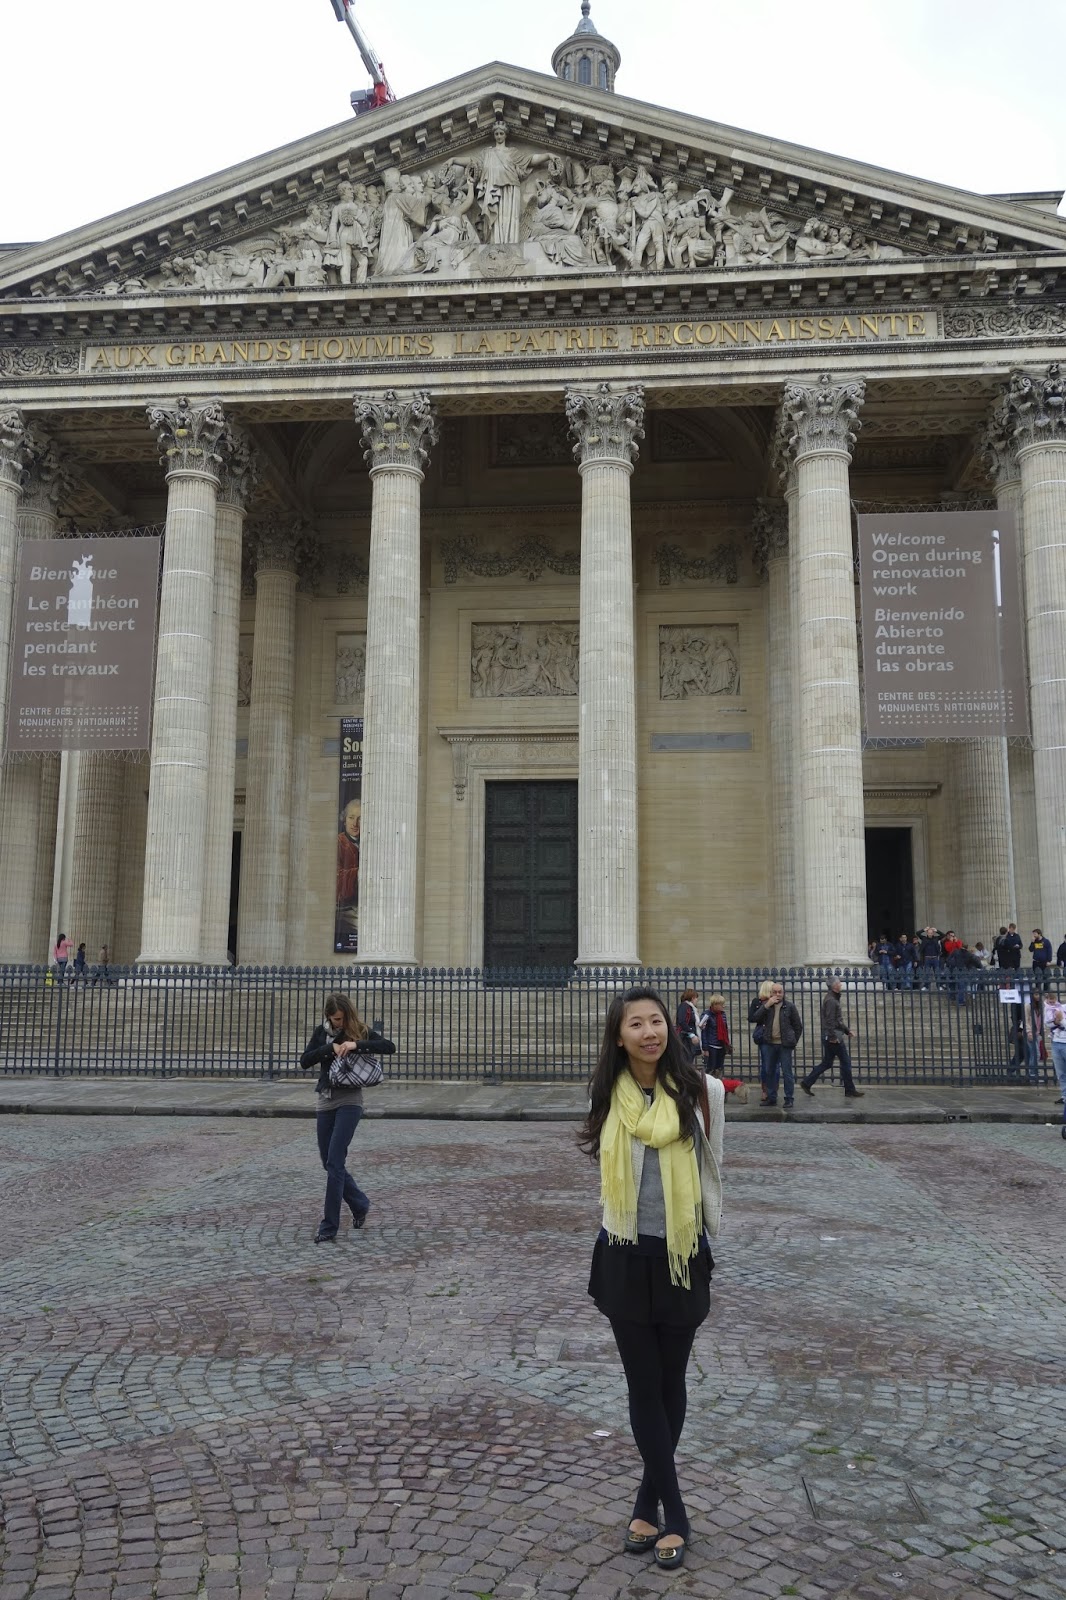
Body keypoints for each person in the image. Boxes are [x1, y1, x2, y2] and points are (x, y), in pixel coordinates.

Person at [581, 987, 724, 1572]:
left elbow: (713, 1167)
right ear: (619, 1037)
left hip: (681, 1254)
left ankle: (647, 1502)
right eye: (635, 1024)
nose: (649, 1032)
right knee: (643, 1384)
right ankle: (676, 1513)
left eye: (656, 1021)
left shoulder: (704, 1092)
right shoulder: (605, 1095)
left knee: (671, 1382)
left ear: (670, 1027)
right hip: (623, 1251)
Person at [300, 993, 394, 1244]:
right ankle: (360, 1204)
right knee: (328, 1162)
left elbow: (389, 1047)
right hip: (325, 1100)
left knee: (335, 1161)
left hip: (350, 1101)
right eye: (335, 1019)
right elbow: (305, 1061)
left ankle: (329, 1225)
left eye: (342, 1018)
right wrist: (329, 1049)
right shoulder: (321, 1033)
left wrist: (356, 1045)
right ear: (328, 1017)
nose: (339, 1023)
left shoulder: (359, 1030)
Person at [800, 979, 864, 1098]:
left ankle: (807, 1082)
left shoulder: (832, 998)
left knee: (827, 1063)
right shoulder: (831, 1000)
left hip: (831, 1035)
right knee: (845, 1062)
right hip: (833, 1037)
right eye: (839, 983)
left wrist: (847, 1031)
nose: (841, 984)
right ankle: (850, 1090)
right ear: (834, 986)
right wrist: (832, 1037)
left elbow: (837, 1020)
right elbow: (830, 1020)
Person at [751, 982, 803, 1108]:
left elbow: (798, 1026)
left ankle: (789, 1098)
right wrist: (766, 1005)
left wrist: (793, 1040)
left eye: (780, 992)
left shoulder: (789, 1006)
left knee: (787, 1072)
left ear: (783, 993)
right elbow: (755, 1018)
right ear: (770, 993)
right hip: (769, 1043)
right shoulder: (767, 1006)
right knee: (769, 1071)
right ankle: (771, 1097)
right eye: (775, 992)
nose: (778, 994)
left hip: (784, 1044)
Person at [748, 979, 775, 1104]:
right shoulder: (757, 1002)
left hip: (776, 1036)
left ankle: (773, 1090)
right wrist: (766, 1005)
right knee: (766, 1065)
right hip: (764, 1037)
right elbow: (752, 1018)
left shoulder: (777, 1002)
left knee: (776, 1067)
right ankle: (765, 1090)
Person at [1043, 994, 1066, 1134]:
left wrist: (1061, 1021)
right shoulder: (1060, 1007)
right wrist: (1057, 1021)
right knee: (1061, 1075)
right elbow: (1049, 1023)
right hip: (1057, 1043)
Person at [699, 994, 731, 1078]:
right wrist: (705, 1048)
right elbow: (703, 1032)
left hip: (721, 1045)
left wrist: (727, 1043)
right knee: (710, 1069)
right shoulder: (706, 1015)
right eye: (721, 1004)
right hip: (711, 1045)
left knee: (719, 1068)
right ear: (715, 1005)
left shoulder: (723, 1015)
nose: (723, 1006)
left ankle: (718, 1083)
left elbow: (725, 1029)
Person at [675, 989, 702, 1063]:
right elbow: (682, 1021)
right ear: (692, 998)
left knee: (689, 1058)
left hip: (688, 1037)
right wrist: (691, 1034)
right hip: (685, 1038)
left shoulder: (690, 1007)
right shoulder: (684, 1006)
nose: (697, 1000)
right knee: (686, 1059)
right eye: (696, 998)